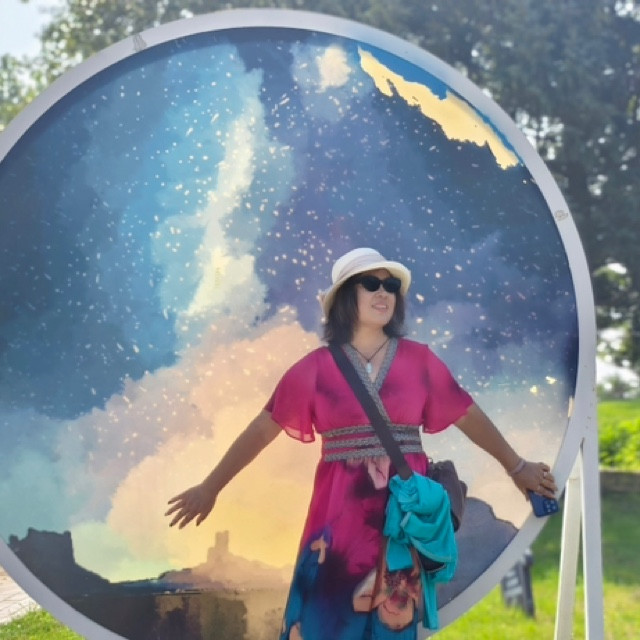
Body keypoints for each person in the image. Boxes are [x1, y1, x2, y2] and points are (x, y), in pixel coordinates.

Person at [166, 247, 558, 639]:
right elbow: (263, 428)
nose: (383, 292)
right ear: (344, 297)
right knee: (323, 623)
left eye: (391, 286)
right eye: (370, 283)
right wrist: (210, 486)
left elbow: (466, 414)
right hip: (336, 526)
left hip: (401, 522)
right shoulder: (315, 368)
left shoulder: (419, 361)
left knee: (392, 620)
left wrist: (516, 466)